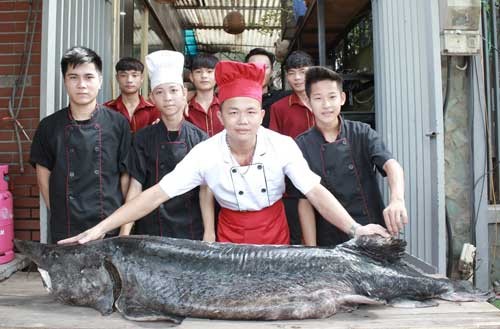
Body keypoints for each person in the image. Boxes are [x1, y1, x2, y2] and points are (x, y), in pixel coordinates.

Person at [58, 61, 389, 246]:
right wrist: (102, 228)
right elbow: (155, 194)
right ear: (220, 116)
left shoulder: (282, 146)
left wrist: (355, 229)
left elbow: (315, 192)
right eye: (233, 112)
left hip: (273, 228)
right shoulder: (206, 153)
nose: (242, 121)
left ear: (262, 115)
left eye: (250, 112)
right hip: (228, 230)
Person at [295, 66, 408, 247]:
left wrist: (397, 199)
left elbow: (390, 164)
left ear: (342, 98)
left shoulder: (362, 132)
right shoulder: (301, 145)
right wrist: (312, 250)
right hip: (330, 238)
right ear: (308, 102)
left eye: (332, 97)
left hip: (372, 230)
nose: (326, 105)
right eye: (318, 98)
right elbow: (305, 202)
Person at [30, 46, 131, 243]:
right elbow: (43, 176)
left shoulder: (118, 124)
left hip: (108, 225)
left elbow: (125, 176)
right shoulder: (48, 126)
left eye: (89, 77)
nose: (81, 84)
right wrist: (60, 213)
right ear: (65, 81)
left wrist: (119, 222)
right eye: (73, 77)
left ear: (100, 81)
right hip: (66, 227)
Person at [119, 50, 214, 241]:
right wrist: (124, 232)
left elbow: (206, 189)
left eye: (173, 90)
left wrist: (209, 232)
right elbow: (135, 185)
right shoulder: (142, 138)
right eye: (160, 92)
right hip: (151, 225)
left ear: (184, 93)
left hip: (190, 227)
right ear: (152, 98)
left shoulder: (201, 139)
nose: (168, 98)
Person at [268, 50, 316, 244]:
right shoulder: (278, 108)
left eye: (303, 71)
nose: (297, 78)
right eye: (292, 73)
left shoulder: (324, 102)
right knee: (297, 234)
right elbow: (273, 144)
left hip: (324, 173)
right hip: (292, 181)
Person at [104, 57, 159, 133]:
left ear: (142, 78)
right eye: (123, 75)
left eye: (134, 75)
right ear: (117, 78)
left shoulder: (153, 110)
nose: (129, 80)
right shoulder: (106, 109)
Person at [244, 48, 291, 128]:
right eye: (253, 67)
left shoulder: (282, 98)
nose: (259, 71)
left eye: (265, 67)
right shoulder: (235, 99)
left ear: (272, 71)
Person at [184, 54, 223, 137]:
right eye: (198, 72)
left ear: (218, 75)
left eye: (209, 71)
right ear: (191, 77)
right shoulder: (184, 108)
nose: (204, 76)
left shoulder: (224, 106)